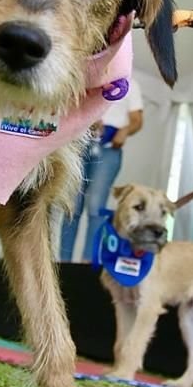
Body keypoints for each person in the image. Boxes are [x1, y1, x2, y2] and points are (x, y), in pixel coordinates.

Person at [59, 76, 144, 262]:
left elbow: (137, 120)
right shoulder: (89, 78)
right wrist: (87, 118)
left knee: (96, 206)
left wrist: (125, 131)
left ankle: (88, 262)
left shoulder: (131, 83)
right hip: (80, 144)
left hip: (109, 149)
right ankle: (62, 263)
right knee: (71, 205)